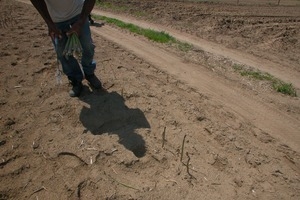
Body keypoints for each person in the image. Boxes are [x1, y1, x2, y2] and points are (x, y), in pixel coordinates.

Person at [30, 0, 102, 97]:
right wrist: (49, 23)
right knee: (62, 53)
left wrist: (80, 22)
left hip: (78, 14)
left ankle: (89, 73)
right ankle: (75, 80)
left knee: (87, 46)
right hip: (55, 20)